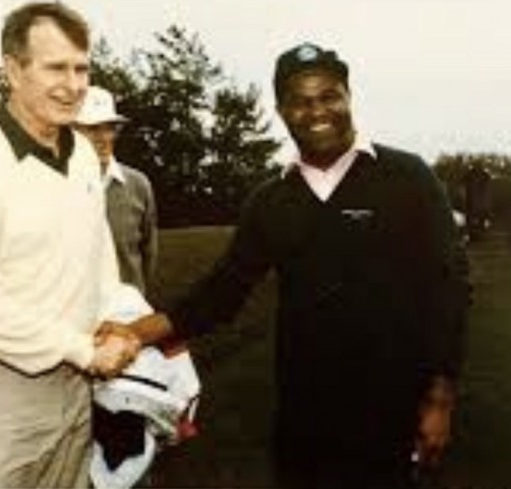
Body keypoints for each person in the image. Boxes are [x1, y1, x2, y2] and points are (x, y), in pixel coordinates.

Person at [131, 42, 471, 488]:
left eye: (329, 96)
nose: (317, 112)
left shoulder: (408, 177)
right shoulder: (271, 199)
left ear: (348, 97)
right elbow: (222, 292)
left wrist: (440, 399)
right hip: (305, 418)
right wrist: (135, 333)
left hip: (395, 412)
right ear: (281, 110)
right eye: (301, 101)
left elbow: (449, 289)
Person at [0, 3, 162, 487]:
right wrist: (81, 350)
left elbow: (99, 265)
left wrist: (126, 329)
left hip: (74, 387)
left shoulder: (81, 154)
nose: (73, 85)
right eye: (56, 68)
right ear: (13, 71)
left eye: (82, 69)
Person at [73, 86, 158, 295]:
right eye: (93, 128)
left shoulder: (138, 185)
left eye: (110, 128)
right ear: (71, 132)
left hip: (128, 311)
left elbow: (148, 256)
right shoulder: (53, 186)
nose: (104, 138)